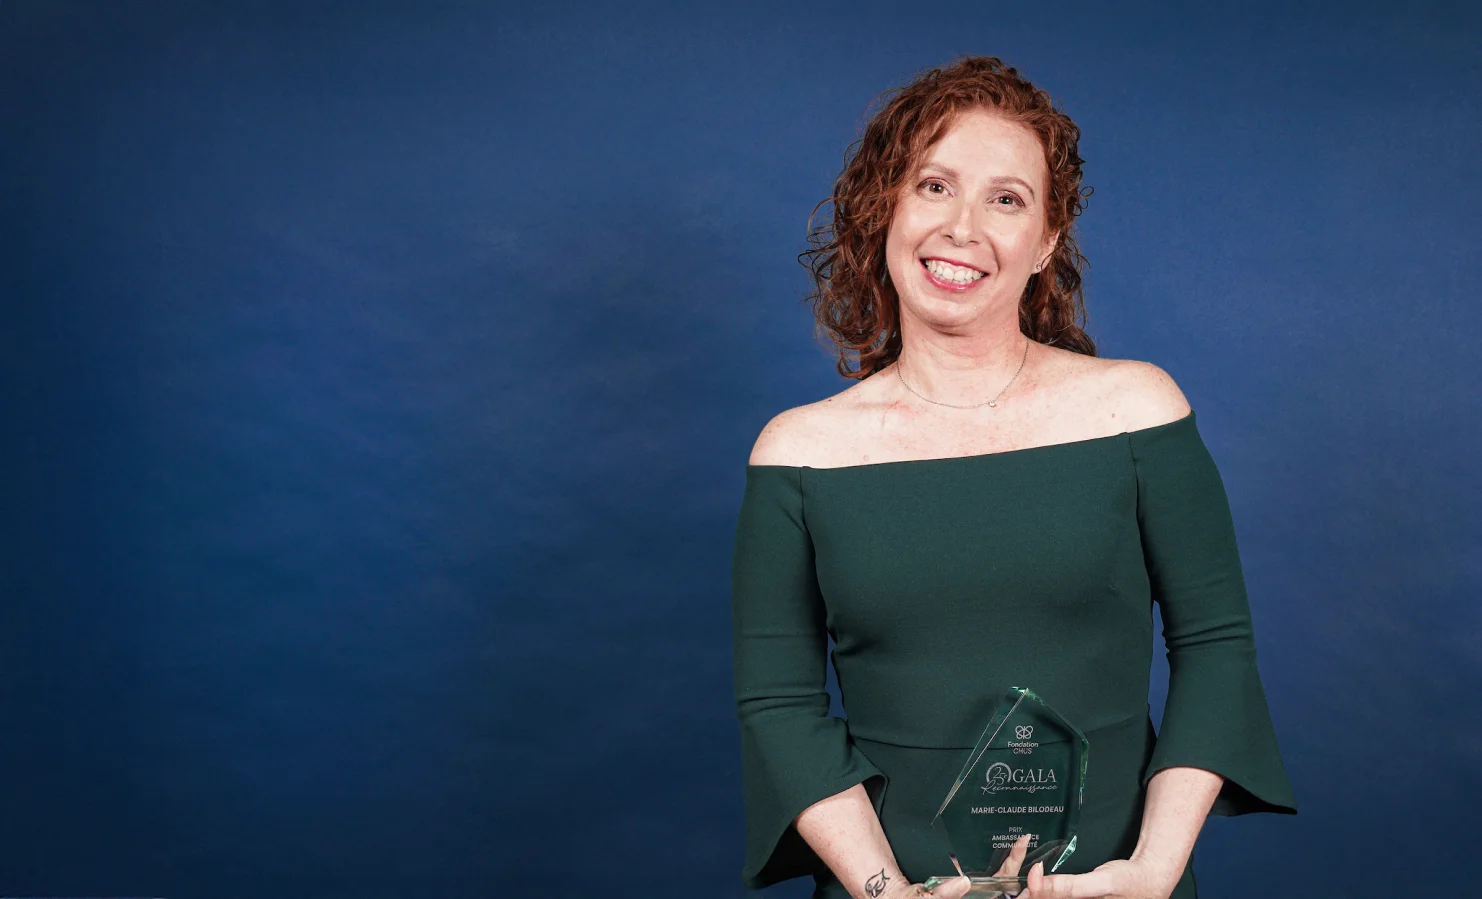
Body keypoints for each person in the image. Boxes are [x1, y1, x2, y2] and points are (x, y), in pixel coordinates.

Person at [730, 55, 1297, 899]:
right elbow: (780, 705)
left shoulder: (1136, 411)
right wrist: (884, 890)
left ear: (1046, 243)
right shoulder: (799, 454)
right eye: (933, 185)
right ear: (882, 207)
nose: (963, 227)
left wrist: (1152, 871)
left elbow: (1214, 647)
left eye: (1006, 199)